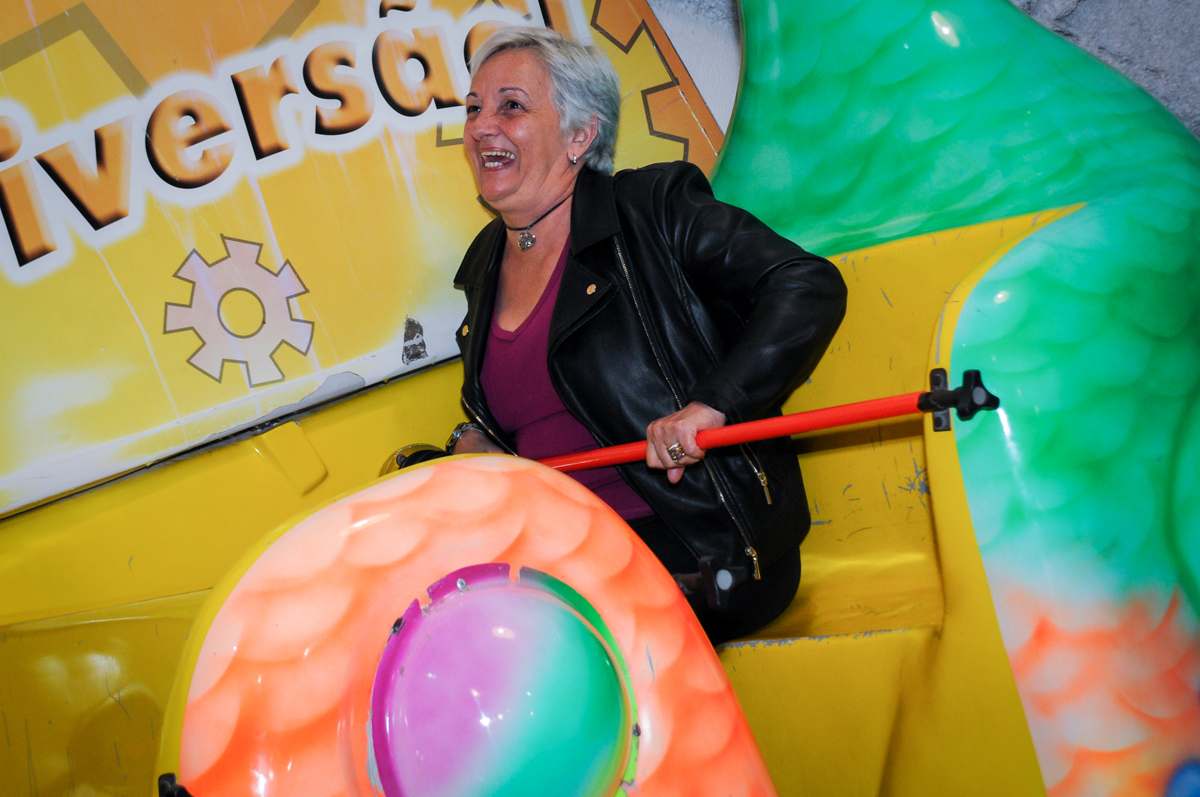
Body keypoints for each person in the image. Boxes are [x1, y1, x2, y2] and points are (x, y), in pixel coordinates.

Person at [447, 27, 846, 644]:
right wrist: (476, 440)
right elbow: (531, 419)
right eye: (474, 109)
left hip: (700, 551)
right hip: (561, 559)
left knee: (534, 649)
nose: (481, 127)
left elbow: (805, 284)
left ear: (581, 135)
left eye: (512, 106)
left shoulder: (651, 205)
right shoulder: (482, 263)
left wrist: (712, 406)